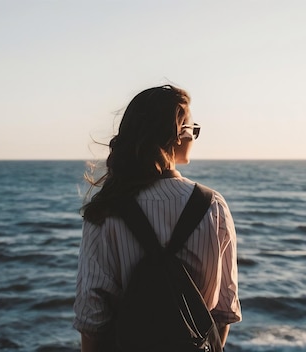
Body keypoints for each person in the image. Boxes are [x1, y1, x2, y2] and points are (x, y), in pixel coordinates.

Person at [73, 84, 242, 351]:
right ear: (177, 135)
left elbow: (91, 317)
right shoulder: (213, 207)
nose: (194, 138)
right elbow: (223, 312)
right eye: (192, 129)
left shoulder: (106, 209)